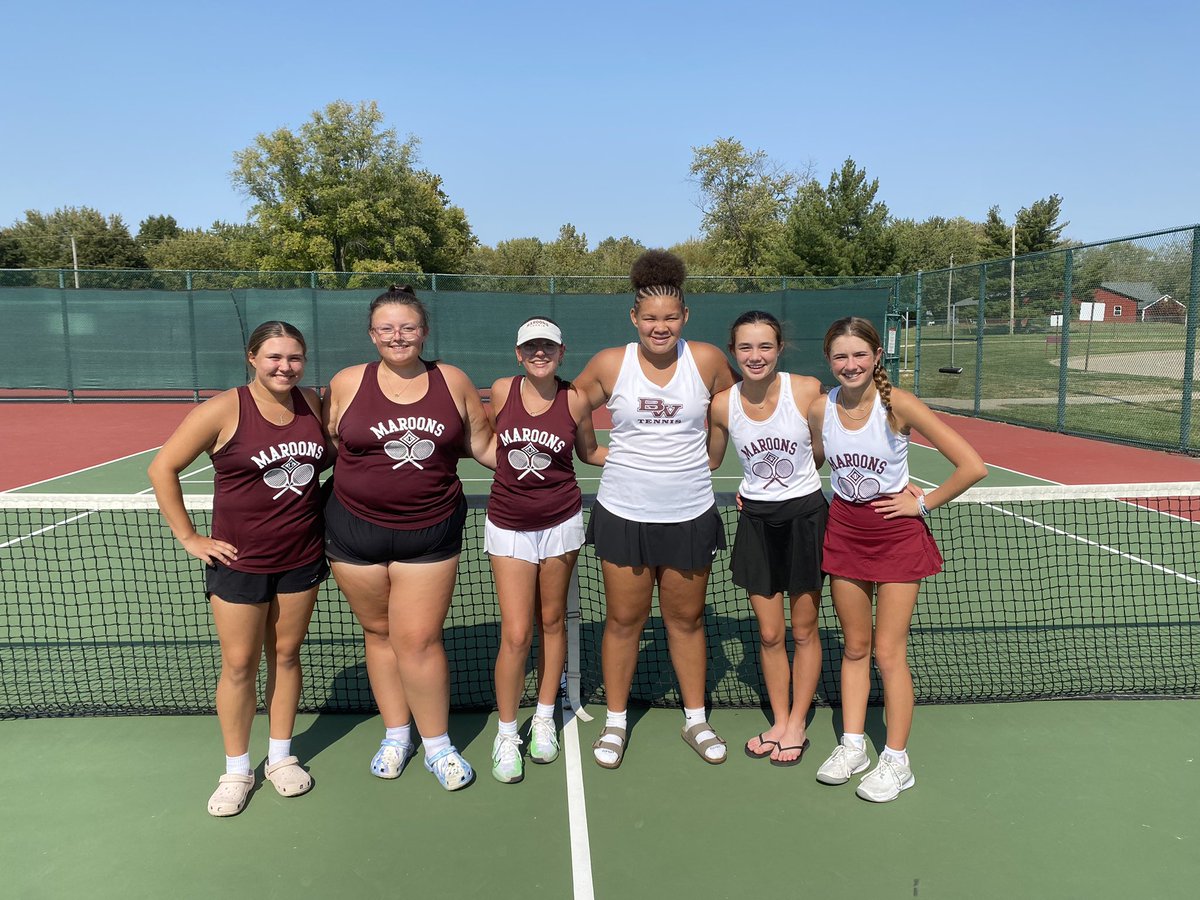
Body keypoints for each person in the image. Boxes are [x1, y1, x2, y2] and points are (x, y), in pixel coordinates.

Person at [149, 321, 330, 817]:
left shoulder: (311, 403)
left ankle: (280, 757)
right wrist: (188, 536)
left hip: (301, 556)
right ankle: (236, 769)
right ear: (252, 358)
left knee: (287, 656)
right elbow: (162, 468)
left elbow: (332, 458)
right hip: (239, 562)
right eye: (274, 357)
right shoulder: (224, 409)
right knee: (239, 665)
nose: (284, 366)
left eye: (294, 357)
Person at [322, 284, 493, 792]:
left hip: (430, 530)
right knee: (379, 636)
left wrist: (534, 466)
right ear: (372, 334)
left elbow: (480, 440)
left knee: (418, 640)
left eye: (408, 327)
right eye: (386, 328)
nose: (398, 336)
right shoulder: (349, 381)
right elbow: (332, 440)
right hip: (353, 532)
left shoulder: (452, 379)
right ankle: (397, 734)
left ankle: (437, 744)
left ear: (424, 330)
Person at [810, 316, 986, 802]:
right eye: (841, 356)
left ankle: (896, 760)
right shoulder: (819, 408)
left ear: (877, 357)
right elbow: (815, 461)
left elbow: (973, 465)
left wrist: (922, 502)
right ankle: (852, 747)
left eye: (859, 355)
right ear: (829, 360)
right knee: (853, 648)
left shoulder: (898, 405)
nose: (850, 365)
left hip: (896, 538)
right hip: (844, 532)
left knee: (889, 653)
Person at [573, 249, 736, 768]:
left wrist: (713, 454)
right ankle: (616, 722)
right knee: (624, 620)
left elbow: (732, 409)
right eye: (650, 318)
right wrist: (592, 452)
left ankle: (695, 718)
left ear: (685, 317)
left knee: (685, 621)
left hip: (690, 513)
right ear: (634, 319)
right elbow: (572, 406)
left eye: (670, 318)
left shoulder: (707, 359)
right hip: (624, 512)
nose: (659, 327)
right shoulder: (610, 363)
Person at [484, 316, 607, 783]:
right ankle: (507, 731)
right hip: (508, 525)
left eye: (548, 347)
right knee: (516, 633)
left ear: (561, 352)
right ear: (519, 353)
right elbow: (486, 443)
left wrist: (647, 459)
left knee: (552, 621)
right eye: (531, 347)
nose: (540, 354)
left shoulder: (575, 398)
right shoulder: (501, 390)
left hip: (561, 523)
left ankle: (543, 717)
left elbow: (590, 452)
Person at [707, 311, 826, 767]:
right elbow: (710, 461)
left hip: (806, 521)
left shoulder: (807, 391)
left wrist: (900, 483)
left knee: (804, 630)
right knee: (771, 632)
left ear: (780, 349)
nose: (755, 357)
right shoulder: (722, 404)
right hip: (755, 523)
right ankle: (779, 719)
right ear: (733, 351)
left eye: (765, 347)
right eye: (745, 348)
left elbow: (831, 444)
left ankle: (797, 724)